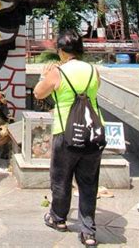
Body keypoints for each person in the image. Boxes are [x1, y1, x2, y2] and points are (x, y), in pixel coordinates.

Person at [34, 30, 103, 247]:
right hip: (93, 132)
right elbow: (94, 91)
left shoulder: (58, 72)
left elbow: (38, 93)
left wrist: (45, 75)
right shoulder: (93, 70)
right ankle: (88, 232)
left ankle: (58, 218)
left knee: (61, 180)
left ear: (61, 51)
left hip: (66, 132)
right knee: (89, 182)